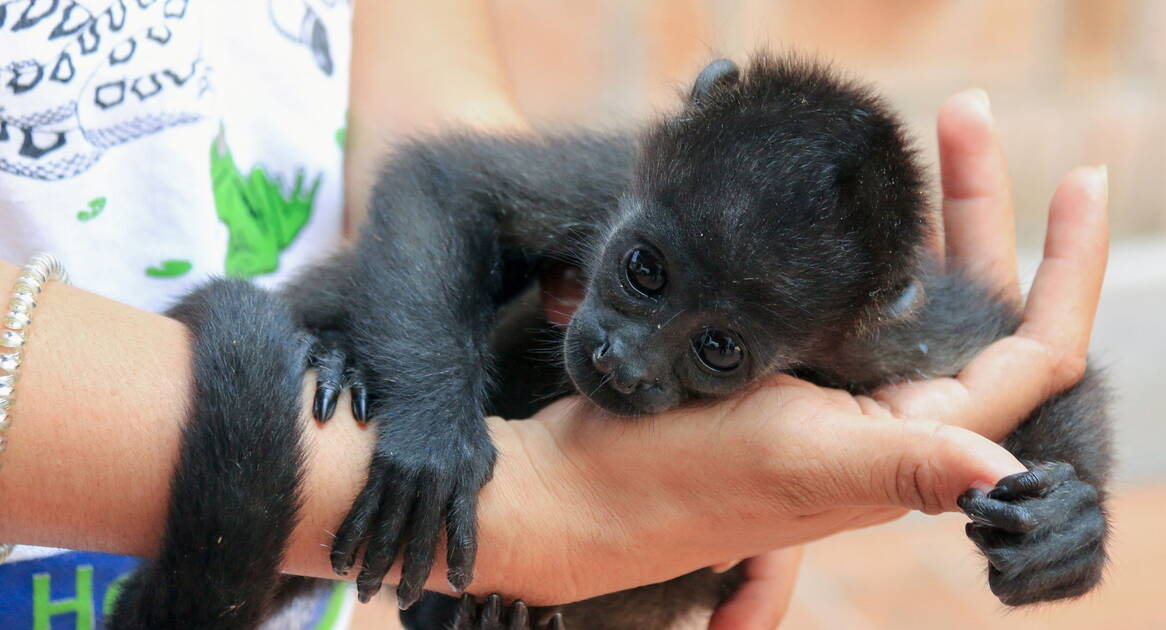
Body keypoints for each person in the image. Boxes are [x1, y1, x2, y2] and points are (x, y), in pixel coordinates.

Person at [0, 2, 1109, 629]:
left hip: (363, 526)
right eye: (643, 274)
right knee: (424, 287)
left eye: (717, 349)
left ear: (861, 323)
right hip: (299, 445)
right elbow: (441, 189)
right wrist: (442, 421)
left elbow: (1040, 387)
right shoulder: (637, 175)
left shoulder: (884, 320)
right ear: (681, 126)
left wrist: (1065, 511)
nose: (629, 353)